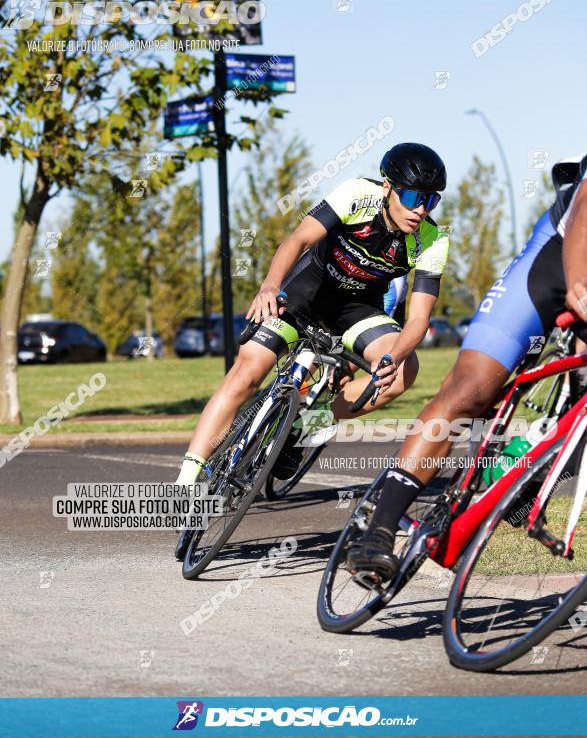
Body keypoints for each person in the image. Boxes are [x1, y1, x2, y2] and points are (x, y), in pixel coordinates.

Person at [348, 153, 587, 582]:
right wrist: (578, 284)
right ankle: (378, 530)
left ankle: (521, 472)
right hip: (558, 259)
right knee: (471, 391)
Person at [175, 142, 450, 486]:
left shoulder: (433, 240)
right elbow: (298, 240)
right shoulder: (355, 194)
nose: (421, 210)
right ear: (387, 188)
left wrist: (394, 356)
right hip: (308, 288)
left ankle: (304, 426)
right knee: (247, 371)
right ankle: (187, 478)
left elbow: (419, 319)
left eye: (431, 200)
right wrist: (270, 286)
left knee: (404, 372)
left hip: (357, 308)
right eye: (412, 198)